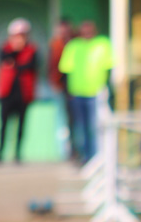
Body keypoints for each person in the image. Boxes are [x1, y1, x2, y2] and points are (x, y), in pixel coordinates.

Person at [58, 20, 113, 164]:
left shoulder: (103, 44)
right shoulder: (73, 46)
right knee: (80, 127)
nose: (87, 34)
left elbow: (110, 66)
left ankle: (96, 158)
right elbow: (65, 70)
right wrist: (67, 91)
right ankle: (83, 156)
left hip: (96, 94)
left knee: (95, 127)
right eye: (84, 31)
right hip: (77, 93)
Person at [0, 18, 38, 165]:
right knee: (3, 125)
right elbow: (3, 60)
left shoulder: (32, 50)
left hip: (23, 94)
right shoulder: (5, 49)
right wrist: (14, 54)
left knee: (21, 125)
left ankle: (17, 154)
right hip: (6, 93)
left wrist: (14, 64)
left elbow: (30, 66)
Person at [47, 19, 75, 160]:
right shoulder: (55, 44)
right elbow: (51, 65)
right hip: (60, 87)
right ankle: (65, 151)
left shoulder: (75, 43)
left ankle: (74, 150)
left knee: (74, 120)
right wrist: (54, 82)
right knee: (62, 119)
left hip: (74, 87)